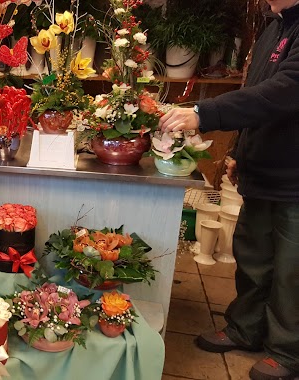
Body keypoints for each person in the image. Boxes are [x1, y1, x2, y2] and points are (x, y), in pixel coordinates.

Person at [159, 1, 299, 379]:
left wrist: (204, 113)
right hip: (263, 170)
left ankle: (288, 353)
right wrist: (238, 151)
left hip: (294, 179)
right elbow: (255, 94)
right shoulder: (275, 25)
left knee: (291, 271)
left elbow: (285, 92)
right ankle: (245, 328)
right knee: (253, 258)